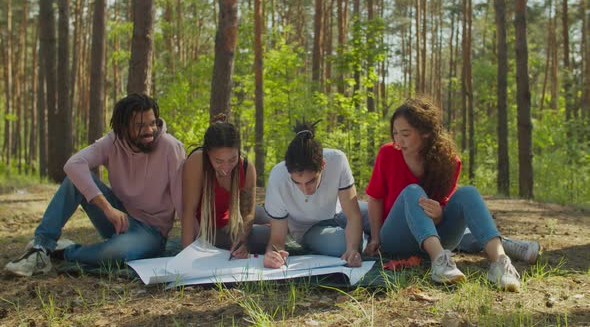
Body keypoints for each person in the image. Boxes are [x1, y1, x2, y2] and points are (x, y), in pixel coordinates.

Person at [5, 94, 185, 277]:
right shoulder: (113, 142)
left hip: (151, 233)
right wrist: (106, 207)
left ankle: (65, 251)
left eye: (152, 123)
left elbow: (183, 200)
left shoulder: (170, 147)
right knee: (74, 180)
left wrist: (191, 247)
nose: (149, 131)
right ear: (123, 128)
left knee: (115, 254)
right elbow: (73, 164)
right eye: (140, 126)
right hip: (118, 218)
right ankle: (40, 248)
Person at [364, 97, 521, 291]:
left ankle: (501, 263)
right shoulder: (387, 154)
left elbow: (445, 208)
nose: (398, 140)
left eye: (405, 133)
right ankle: (440, 263)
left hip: (439, 236)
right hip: (397, 238)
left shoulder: (449, 162)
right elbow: (375, 198)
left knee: (469, 192)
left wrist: (440, 214)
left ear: (426, 133)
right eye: (395, 133)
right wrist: (375, 239)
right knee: (413, 191)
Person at [263, 120, 365, 269]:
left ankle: (367, 237)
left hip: (339, 212)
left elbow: (353, 215)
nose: (305, 190)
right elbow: (277, 238)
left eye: (311, 181)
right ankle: (366, 239)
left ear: (323, 165)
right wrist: (272, 255)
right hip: (308, 229)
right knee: (342, 245)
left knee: (377, 215)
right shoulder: (278, 178)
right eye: (297, 183)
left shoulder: (337, 160)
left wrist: (353, 249)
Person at [181, 115, 268, 257]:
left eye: (232, 159)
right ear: (208, 153)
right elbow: (188, 212)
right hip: (209, 227)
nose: (226, 167)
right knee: (267, 235)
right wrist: (185, 256)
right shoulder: (197, 161)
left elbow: (248, 213)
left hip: (234, 215)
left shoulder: (246, 167)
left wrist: (242, 240)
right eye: (219, 161)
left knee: (279, 223)